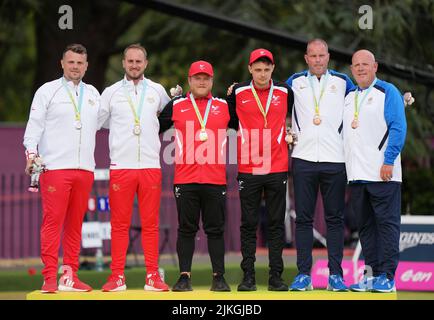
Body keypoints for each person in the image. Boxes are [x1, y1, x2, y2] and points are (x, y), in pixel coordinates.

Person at [23, 43, 100, 293]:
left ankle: (69, 275)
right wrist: (32, 154)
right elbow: (33, 127)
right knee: (53, 222)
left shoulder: (93, 94)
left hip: (85, 168)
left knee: (75, 224)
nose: (75, 67)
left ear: (86, 66)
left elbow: (112, 120)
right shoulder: (47, 91)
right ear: (62, 63)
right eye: (71, 62)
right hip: (55, 167)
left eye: (80, 63)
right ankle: (48, 278)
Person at [98, 44, 170, 292]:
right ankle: (117, 276)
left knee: (151, 223)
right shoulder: (110, 92)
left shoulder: (158, 91)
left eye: (139, 61)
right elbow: (97, 122)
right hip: (121, 166)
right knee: (119, 224)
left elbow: (169, 119)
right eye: (130, 61)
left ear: (146, 63)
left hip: (150, 165)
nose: (134, 65)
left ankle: (152, 276)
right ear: (123, 63)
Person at [285, 39, 353, 292]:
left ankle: (336, 275)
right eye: (312, 56)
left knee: (334, 219)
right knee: (303, 219)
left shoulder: (343, 82)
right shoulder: (295, 82)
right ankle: (304, 275)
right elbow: (272, 97)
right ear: (306, 58)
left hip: (335, 159)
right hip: (303, 159)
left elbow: (361, 105)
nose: (317, 60)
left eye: (321, 55)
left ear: (328, 56)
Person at [158, 61, 231, 292]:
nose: (201, 82)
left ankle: (219, 278)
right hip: (185, 179)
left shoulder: (224, 106)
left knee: (215, 230)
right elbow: (153, 128)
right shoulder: (176, 105)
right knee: (186, 229)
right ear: (189, 81)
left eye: (206, 78)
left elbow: (250, 123)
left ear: (212, 80)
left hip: (215, 178)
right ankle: (184, 277)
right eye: (197, 78)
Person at [226, 48, 294, 291]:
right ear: (250, 69)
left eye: (266, 69)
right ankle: (249, 277)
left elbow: (294, 119)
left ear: (273, 69)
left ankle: (276, 276)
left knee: (276, 223)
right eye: (258, 69)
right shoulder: (238, 92)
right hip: (249, 166)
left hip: (277, 165)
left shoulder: (286, 91)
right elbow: (230, 122)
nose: (262, 74)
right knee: (249, 223)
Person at [344, 50, 406, 293]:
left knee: (387, 226)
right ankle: (372, 275)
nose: (361, 69)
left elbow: (398, 127)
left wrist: (389, 160)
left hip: (383, 174)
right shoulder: (350, 96)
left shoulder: (388, 91)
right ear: (351, 70)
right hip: (357, 175)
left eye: (365, 64)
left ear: (375, 67)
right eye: (356, 65)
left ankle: (388, 278)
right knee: (366, 228)